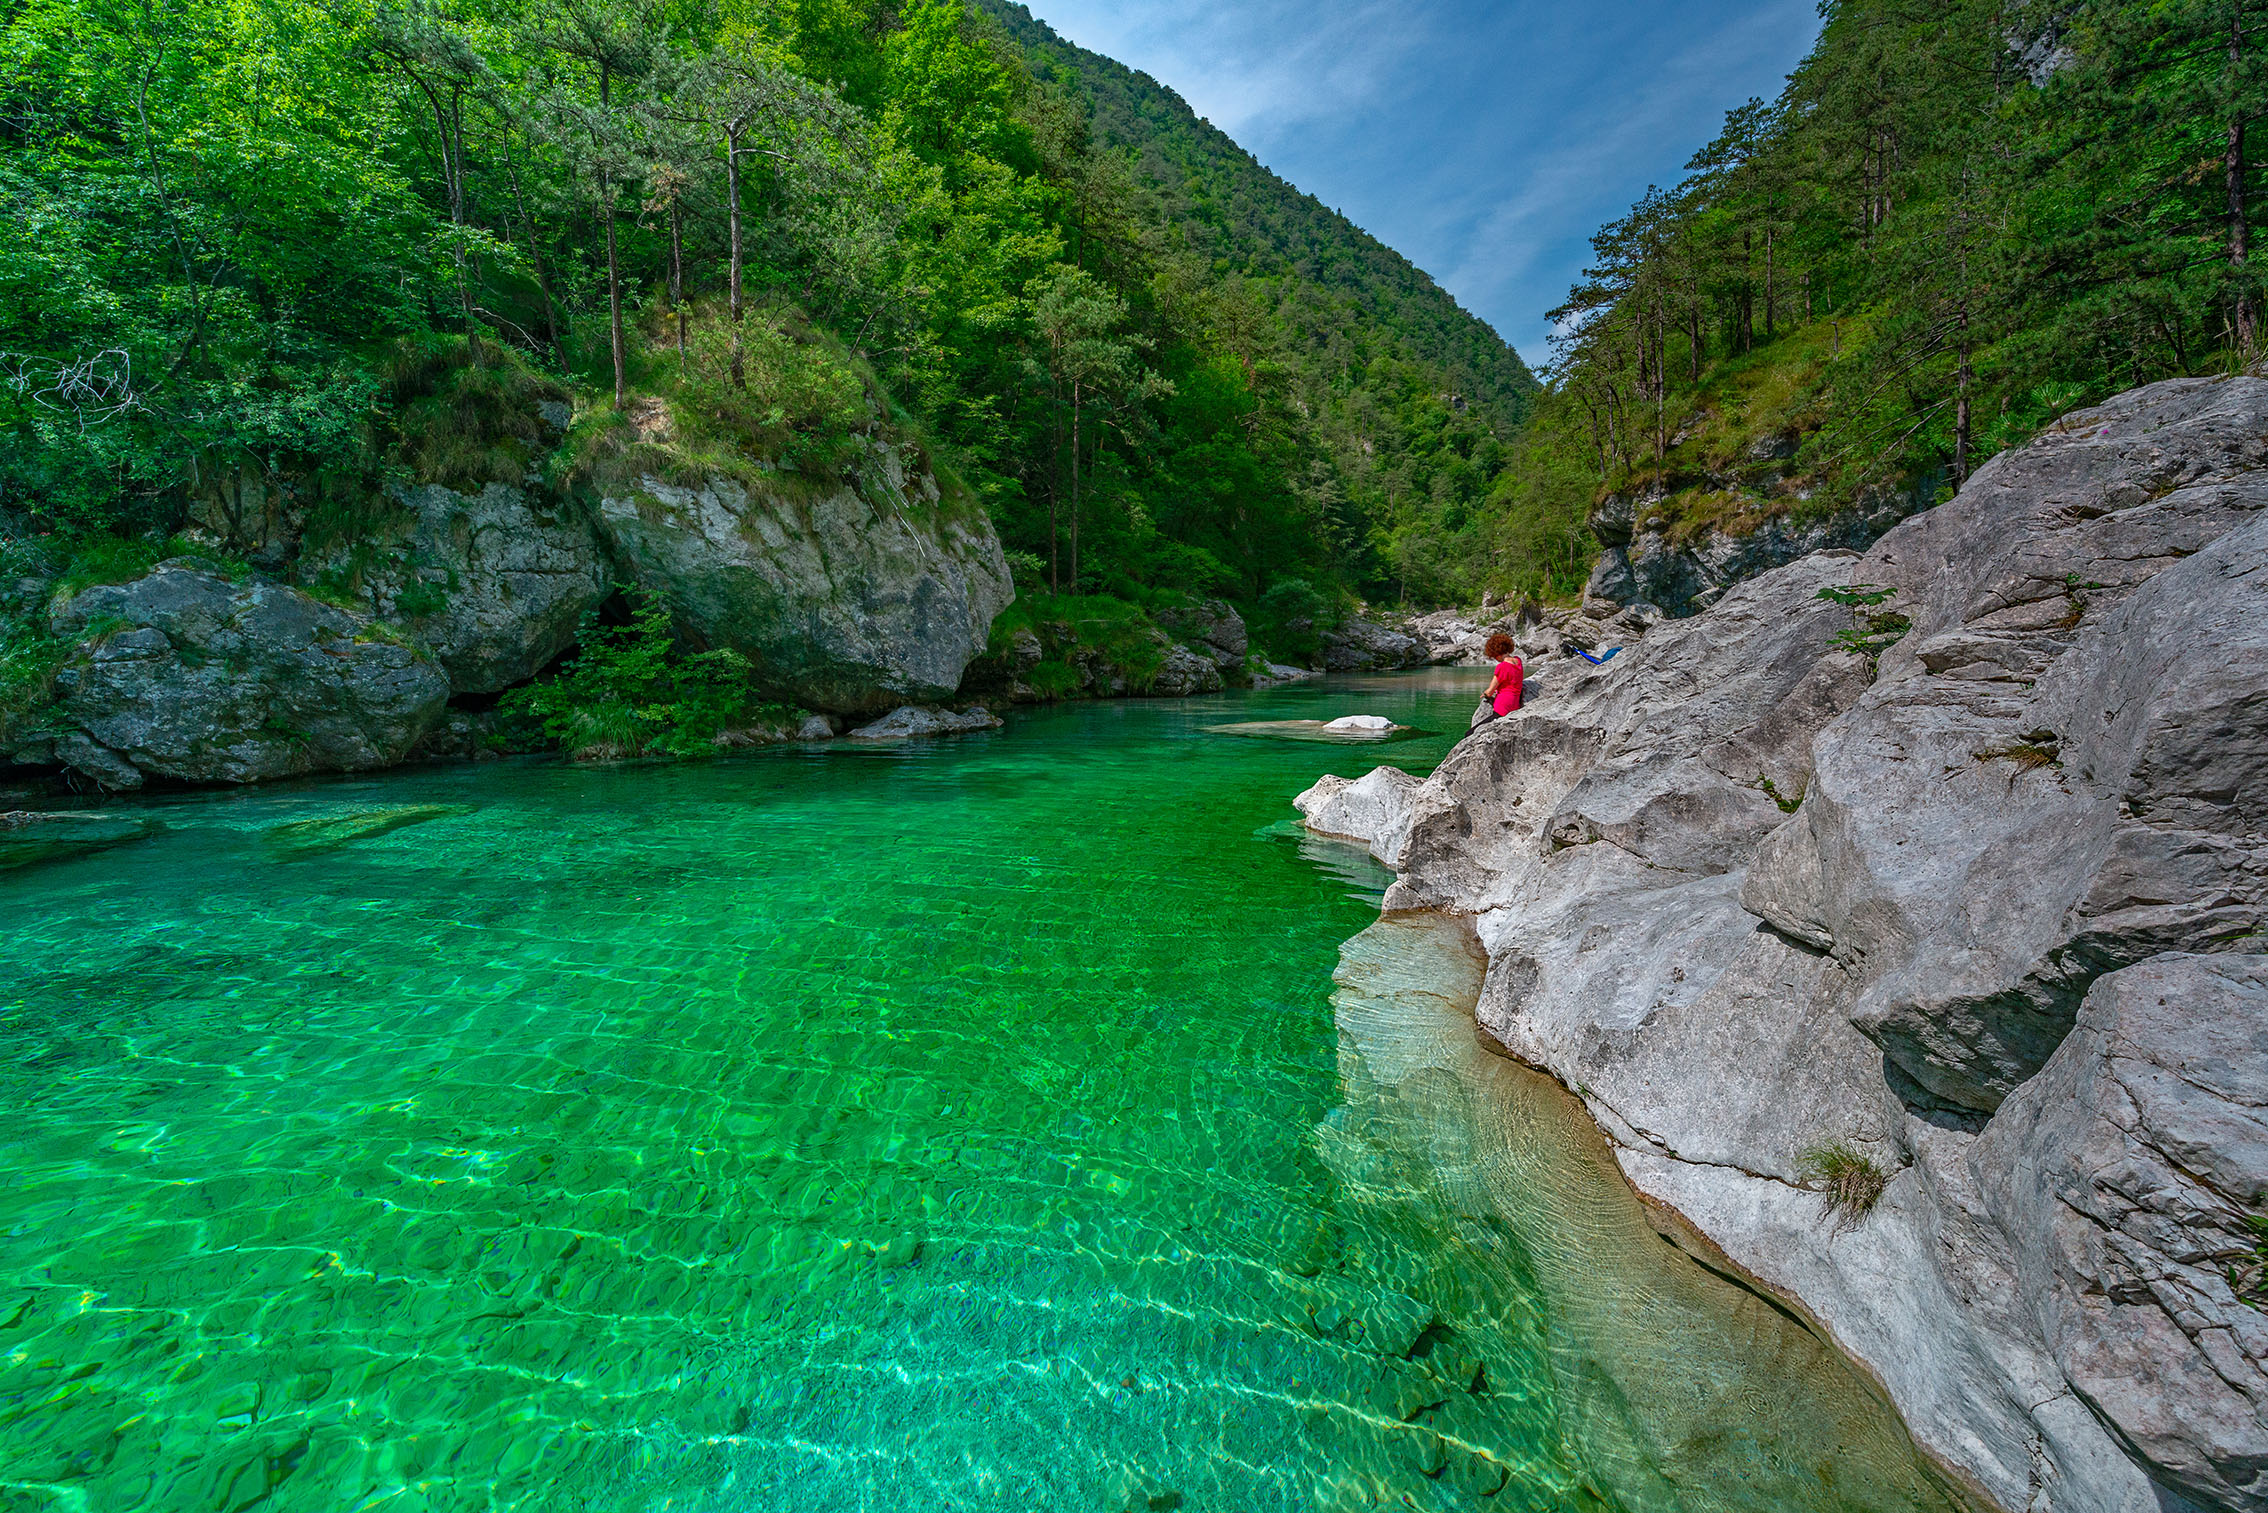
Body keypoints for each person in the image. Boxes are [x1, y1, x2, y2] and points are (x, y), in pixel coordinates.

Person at [1478, 632, 1522, 722]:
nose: (1495, 659)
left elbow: (1490, 692)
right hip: (1515, 705)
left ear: (1496, 653)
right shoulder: (1518, 661)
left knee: (1470, 733)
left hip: (1502, 707)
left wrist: (1485, 694)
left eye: (1494, 656)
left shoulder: (1502, 667)